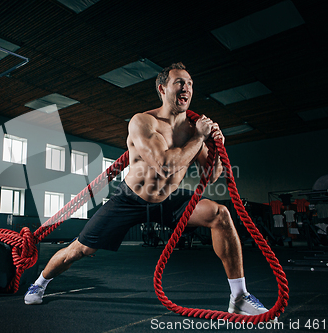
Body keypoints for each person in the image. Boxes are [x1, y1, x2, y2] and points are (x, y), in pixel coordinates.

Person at [25, 63, 270, 316]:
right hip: (130, 199)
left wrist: (216, 146)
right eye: (180, 82)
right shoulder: (144, 122)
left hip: (168, 199)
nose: (186, 87)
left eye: (190, 83)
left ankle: (239, 297)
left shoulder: (192, 128)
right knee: (80, 250)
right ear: (162, 89)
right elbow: (164, 165)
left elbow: (211, 175)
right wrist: (199, 139)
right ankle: (39, 283)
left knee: (221, 215)